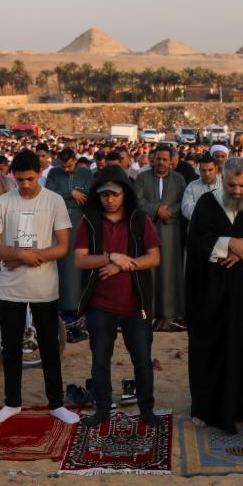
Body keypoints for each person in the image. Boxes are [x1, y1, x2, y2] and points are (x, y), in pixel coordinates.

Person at [0, 150, 77, 426]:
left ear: (40, 174)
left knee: (49, 344)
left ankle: (57, 403)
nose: (25, 184)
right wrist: (19, 255)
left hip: (44, 286)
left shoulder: (54, 201)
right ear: (12, 176)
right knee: (11, 346)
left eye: (30, 179)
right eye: (20, 179)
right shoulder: (4, 201)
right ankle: (12, 403)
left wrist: (31, 257)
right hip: (11, 287)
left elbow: (62, 246)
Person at [186, 157, 243, 433]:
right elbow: (195, 242)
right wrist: (228, 244)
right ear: (221, 180)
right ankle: (205, 409)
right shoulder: (206, 204)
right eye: (231, 185)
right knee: (211, 349)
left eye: (242, 185)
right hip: (213, 298)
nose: (237, 191)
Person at [73, 165, 161, 427]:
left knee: (142, 361)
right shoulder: (90, 221)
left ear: (125, 193)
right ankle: (101, 409)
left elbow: (154, 257)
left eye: (115, 194)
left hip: (136, 304)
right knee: (100, 360)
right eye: (104, 195)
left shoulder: (139, 219)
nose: (109, 199)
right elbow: (80, 260)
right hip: (100, 305)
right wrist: (111, 256)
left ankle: (146, 410)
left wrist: (122, 264)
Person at [135, 144, 187, 327]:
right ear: (153, 159)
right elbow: (138, 201)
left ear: (171, 161)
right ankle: (149, 309)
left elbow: (183, 202)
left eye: (165, 159)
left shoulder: (179, 179)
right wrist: (156, 210)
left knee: (169, 270)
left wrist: (169, 212)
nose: (161, 163)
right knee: (149, 270)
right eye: (158, 159)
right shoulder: (142, 178)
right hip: (148, 229)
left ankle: (169, 310)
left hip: (171, 231)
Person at [44, 148, 94, 316]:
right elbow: (49, 193)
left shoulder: (87, 174)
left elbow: (89, 196)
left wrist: (68, 198)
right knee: (60, 265)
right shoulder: (54, 173)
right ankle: (60, 305)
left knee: (77, 264)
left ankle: (77, 306)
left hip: (79, 222)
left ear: (76, 159)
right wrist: (70, 193)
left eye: (69, 166)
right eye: (63, 166)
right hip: (57, 223)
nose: (66, 170)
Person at [180, 154, 222, 220]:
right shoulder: (192, 186)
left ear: (216, 169)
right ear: (199, 170)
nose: (207, 174)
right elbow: (186, 209)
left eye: (210, 170)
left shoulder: (224, 185)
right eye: (203, 170)